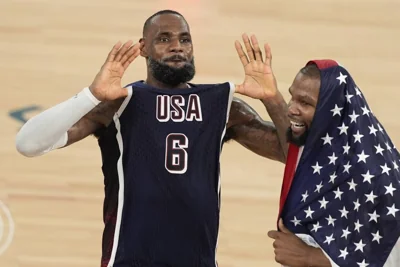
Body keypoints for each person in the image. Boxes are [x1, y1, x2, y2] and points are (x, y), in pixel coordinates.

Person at [15, 10, 289, 267]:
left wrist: (273, 99)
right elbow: (28, 144)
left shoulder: (222, 107)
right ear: (143, 48)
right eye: (163, 39)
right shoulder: (119, 104)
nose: (177, 46)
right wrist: (92, 95)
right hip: (129, 258)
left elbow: (290, 154)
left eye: (184, 39)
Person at [266, 59, 400, 267]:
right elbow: (295, 149)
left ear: (331, 108)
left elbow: (388, 255)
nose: (291, 109)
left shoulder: (376, 177)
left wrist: (311, 257)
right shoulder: (330, 142)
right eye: (292, 97)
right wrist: (271, 98)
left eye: (305, 103)